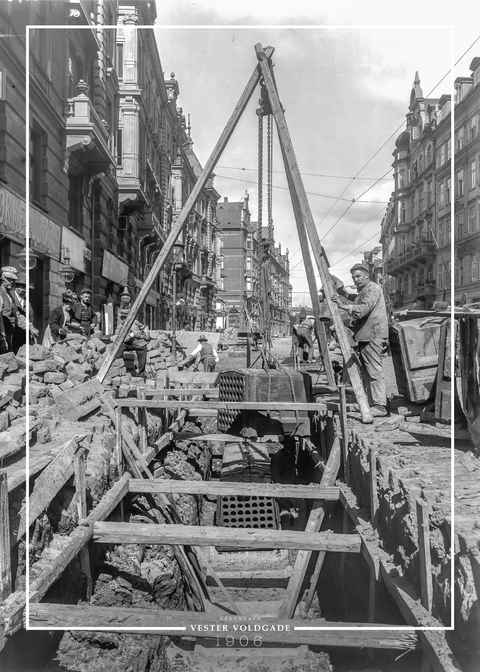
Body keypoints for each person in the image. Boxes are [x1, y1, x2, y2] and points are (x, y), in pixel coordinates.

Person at [331, 261, 389, 417]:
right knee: (367, 370)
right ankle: (372, 402)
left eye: (358, 276)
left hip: (373, 334)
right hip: (366, 335)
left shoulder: (372, 289)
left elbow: (363, 309)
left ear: (367, 275)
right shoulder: (364, 291)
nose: (356, 280)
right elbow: (357, 299)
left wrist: (342, 306)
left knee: (374, 370)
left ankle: (380, 406)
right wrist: (343, 294)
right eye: (353, 277)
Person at [12, 272, 38, 352]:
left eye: (26, 287)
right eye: (22, 287)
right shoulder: (11, 299)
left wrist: (31, 331)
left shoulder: (28, 302)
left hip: (24, 337)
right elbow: (17, 316)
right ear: (15, 286)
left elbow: (30, 318)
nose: (25, 290)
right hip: (12, 336)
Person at [0, 266, 19, 352]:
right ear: (3, 278)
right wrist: (2, 339)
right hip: (2, 335)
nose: (12, 281)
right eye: (9, 279)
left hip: (10, 334)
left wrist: (29, 327)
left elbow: (16, 315)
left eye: (13, 279)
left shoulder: (10, 295)